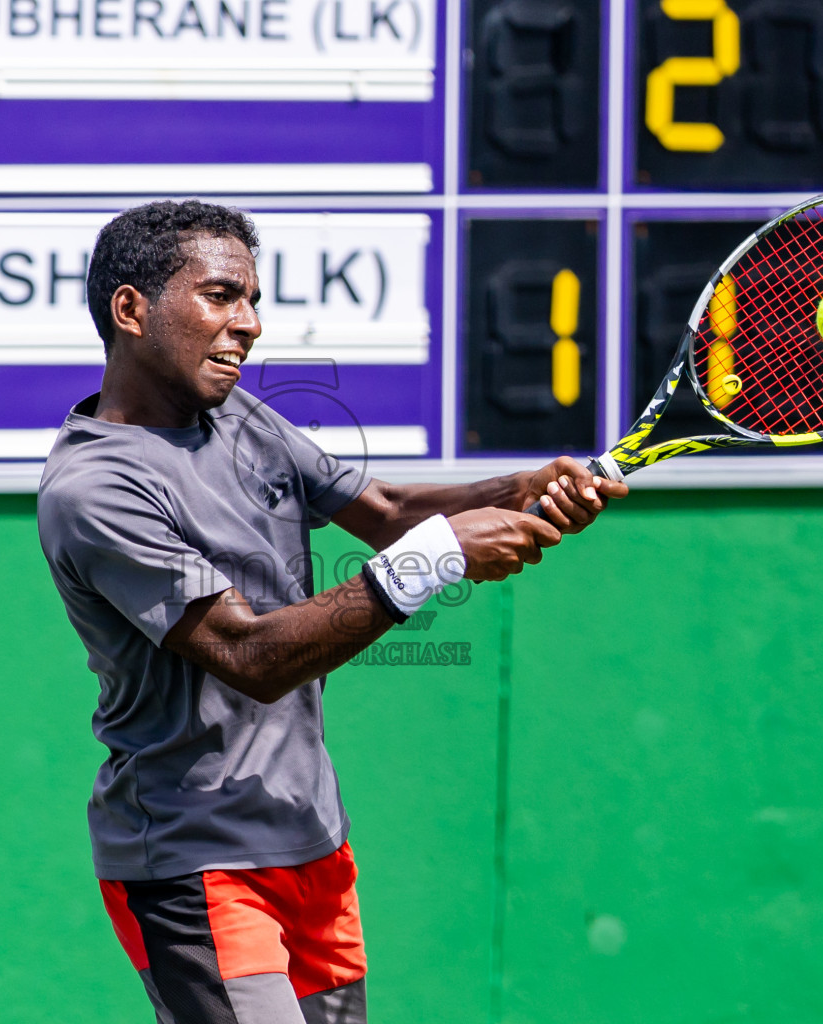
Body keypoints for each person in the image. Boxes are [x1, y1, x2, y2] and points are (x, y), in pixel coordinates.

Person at [37, 200, 627, 1024]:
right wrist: (441, 554)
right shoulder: (96, 489)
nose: (247, 324)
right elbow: (250, 657)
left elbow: (383, 508)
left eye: (251, 300)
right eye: (220, 297)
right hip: (193, 858)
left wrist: (512, 489)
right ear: (131, 310)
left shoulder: (235, 413)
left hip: (311, 839)